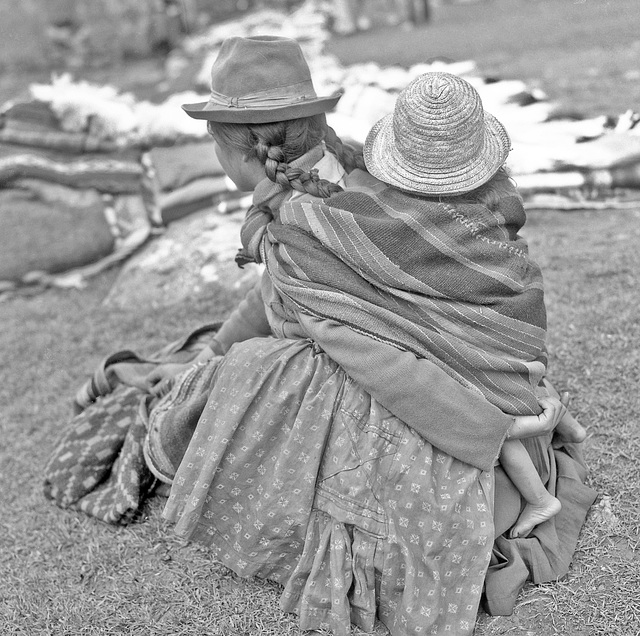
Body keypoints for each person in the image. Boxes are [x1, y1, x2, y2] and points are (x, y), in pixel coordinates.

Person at [44, 36, 595, 635]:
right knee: (239, 358)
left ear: (242, 151)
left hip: (457, 431)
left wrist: (488, 427)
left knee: (255, 376)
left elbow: (382, 363)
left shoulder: (300, 232)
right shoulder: (356, 174)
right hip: (504, 422)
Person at [361, 70, 586, 540]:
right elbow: (507, 255)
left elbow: (431, 285)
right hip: (516, 323)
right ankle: (569, 424)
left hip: (488, 337)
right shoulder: (498, 193)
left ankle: (540, 500)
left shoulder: (406, 218)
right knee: (518, 374)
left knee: (487, 407)